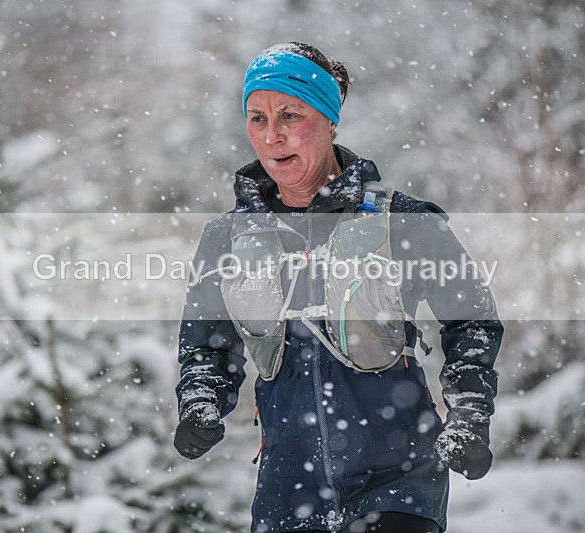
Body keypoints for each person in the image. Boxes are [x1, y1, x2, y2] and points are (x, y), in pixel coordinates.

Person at [173, 42, 503, 533]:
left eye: (291, 114)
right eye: (257, 118)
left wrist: (470, 412)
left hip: (398, 483)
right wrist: (200, 401)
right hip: (287, 491)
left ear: (329, 120)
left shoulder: (402, 221)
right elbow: (206, 345)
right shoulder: (228, 237)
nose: (273, 135)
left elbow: (471, 319)